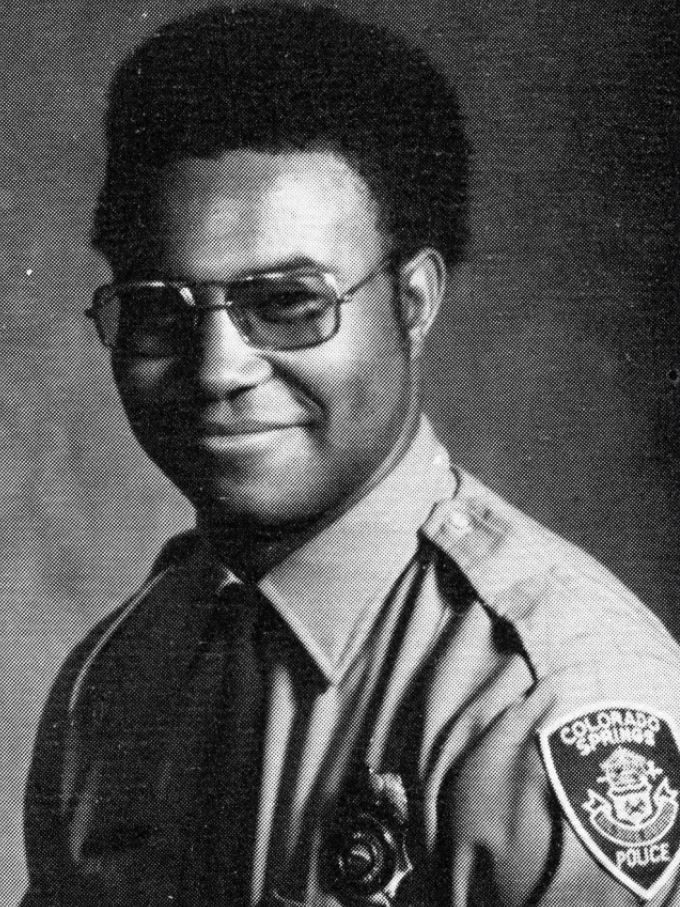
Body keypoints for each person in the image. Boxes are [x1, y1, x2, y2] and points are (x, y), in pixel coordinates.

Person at [21, 4, 680, 905]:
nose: (219, 369)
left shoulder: (544, 707)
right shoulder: (115, 682)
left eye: (288, 302)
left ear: (413, 301)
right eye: (160, 307)